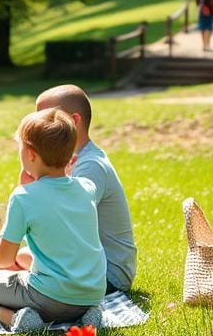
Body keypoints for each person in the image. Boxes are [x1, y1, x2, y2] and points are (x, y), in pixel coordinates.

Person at [0, 108, 106, 332]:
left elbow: (4, 260)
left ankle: (15, 319)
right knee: (28, 260)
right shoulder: (87, 187)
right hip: (91, 294)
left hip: (49, 299)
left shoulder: (23, 197)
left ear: (31, 155)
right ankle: (88, 316)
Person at [35, 83, 137, 293]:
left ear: (74, 121)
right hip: (85, 269)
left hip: (107, 276)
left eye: (47, 120)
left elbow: (67, 225)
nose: (37, 128)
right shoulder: (64, 163)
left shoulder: (90, 166)